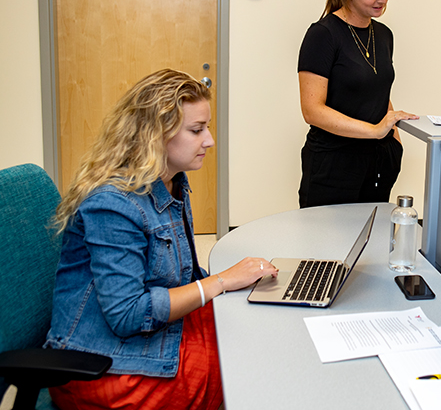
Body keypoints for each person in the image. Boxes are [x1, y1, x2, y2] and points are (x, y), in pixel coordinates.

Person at [45, 69, 278, 409]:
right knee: (242, 370)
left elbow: (179, 277)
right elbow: (127, 315)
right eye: (197, 130)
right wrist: (222, 281)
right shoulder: (112, 203)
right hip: (103, 366)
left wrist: (236, 281)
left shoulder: (171, 182)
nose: (209, 140)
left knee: (254, 333)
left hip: (146, 337)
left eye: (207, 127)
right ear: (156, 135)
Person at [298, 0, 418, 208]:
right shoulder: (323, 35)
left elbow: (378, 91)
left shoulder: (384, 35)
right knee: (326, 246)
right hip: (333, 165)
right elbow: (312, 110)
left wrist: (393, 141)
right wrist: (374, 131)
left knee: (372, 242)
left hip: (378, 163)